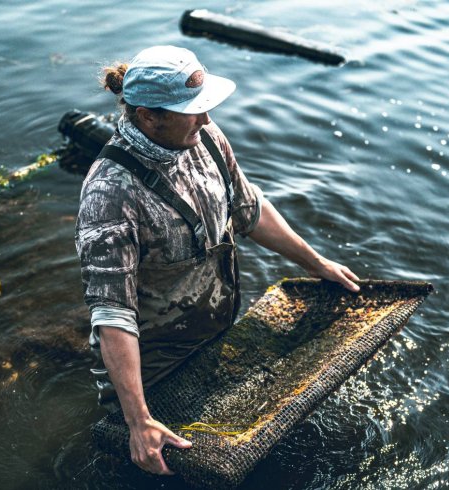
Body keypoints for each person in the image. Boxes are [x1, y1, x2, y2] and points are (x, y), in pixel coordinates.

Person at [76, 45, 359, 476]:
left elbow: (249, 209)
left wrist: (316, 264)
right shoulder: (109, 194)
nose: (206, 118)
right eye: (191, 110)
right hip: (154, 366)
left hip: (213, 330)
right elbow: (113, 315)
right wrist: (138, 420)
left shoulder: (202, 135)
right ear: (150, 116)